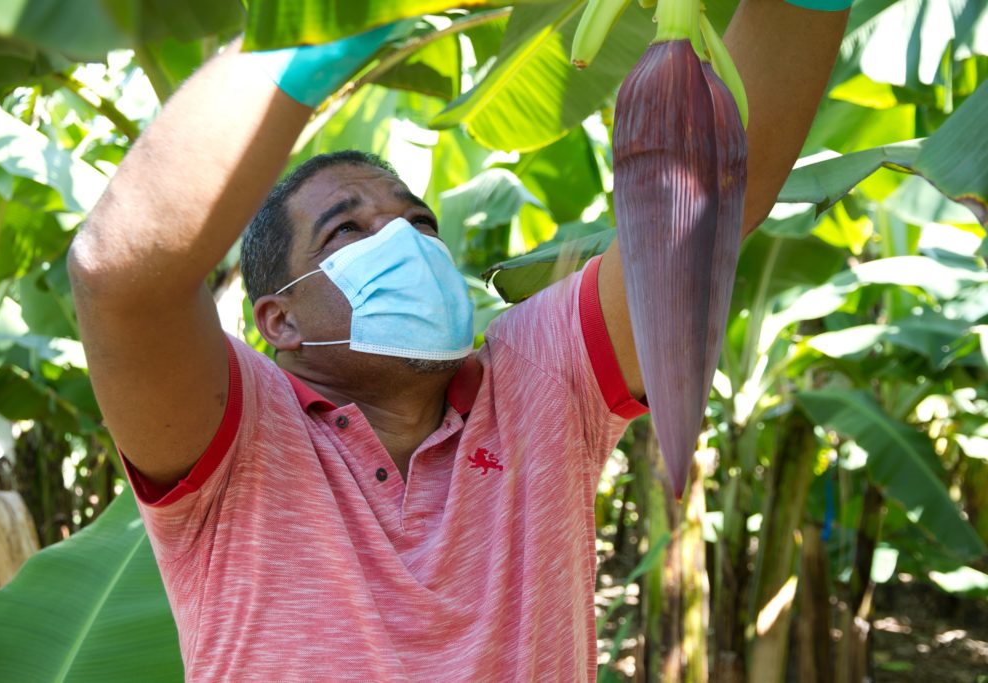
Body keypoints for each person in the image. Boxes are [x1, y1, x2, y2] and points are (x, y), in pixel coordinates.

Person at [68, 2, 849, 680]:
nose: (405, 242)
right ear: (280, 320)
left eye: (418, 223)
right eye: (349, 230)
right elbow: (117, 281)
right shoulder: (236, 436)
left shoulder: (542, 381)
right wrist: (310, 36)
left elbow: (698, 207)